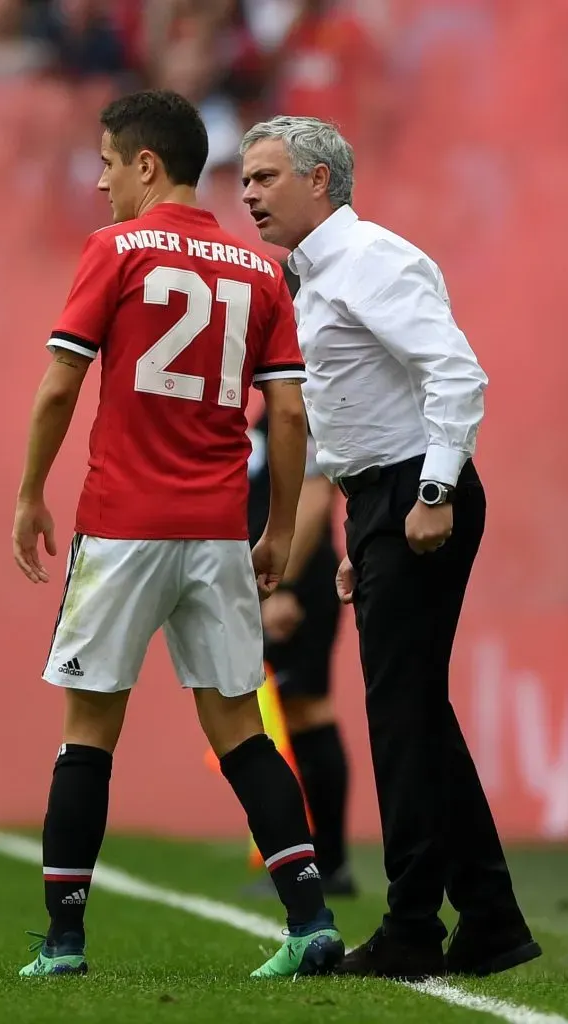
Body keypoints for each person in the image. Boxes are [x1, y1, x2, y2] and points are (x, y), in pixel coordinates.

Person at [11, 91, 344, 980]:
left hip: (124, 525)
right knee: (242, 730)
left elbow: (59, 385)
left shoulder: (114, 249)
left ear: (147, 164)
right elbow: (288, 412)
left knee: (89, 731)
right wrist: (276, 530)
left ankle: (64, 942)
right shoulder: (262, 272)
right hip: (217, 531)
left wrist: (29, 494)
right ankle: (311, 920)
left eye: (108, 163)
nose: (101, 182)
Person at [240, 115, 541, 981]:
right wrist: (360, 525)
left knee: (402, 717)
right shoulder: (316, 275)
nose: (249, 194)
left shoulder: (370, 259)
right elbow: (360, 414)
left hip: (416, 490)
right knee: (417, 715)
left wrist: (432, 492)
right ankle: (489, 918)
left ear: (320, 180)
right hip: (383, 498)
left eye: (265, 177)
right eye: (246, 179)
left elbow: (456, 372)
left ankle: (414, 926)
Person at [245, 262, 354, 898]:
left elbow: (315, 497)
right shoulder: (282, 392)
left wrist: (280, 587)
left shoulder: (308, 393)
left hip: (295, 585)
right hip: (277, 580)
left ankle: (326, 864)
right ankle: (320, 862)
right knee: (294, 713)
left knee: (307, 711)